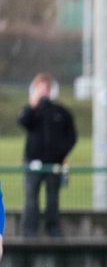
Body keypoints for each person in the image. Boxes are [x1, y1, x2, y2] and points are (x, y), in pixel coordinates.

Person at [17, 73, 77, 238]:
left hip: (54, 164)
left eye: (46, 89)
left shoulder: (61, 112)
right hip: (33, 163)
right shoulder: (31, 110)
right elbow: (23, 121)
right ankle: (29, 231)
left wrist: (60, 153)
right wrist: (32, 105)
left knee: (52, 200)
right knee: (31, 200)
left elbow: (71, 137)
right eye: (39, 89)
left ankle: (54, 230)